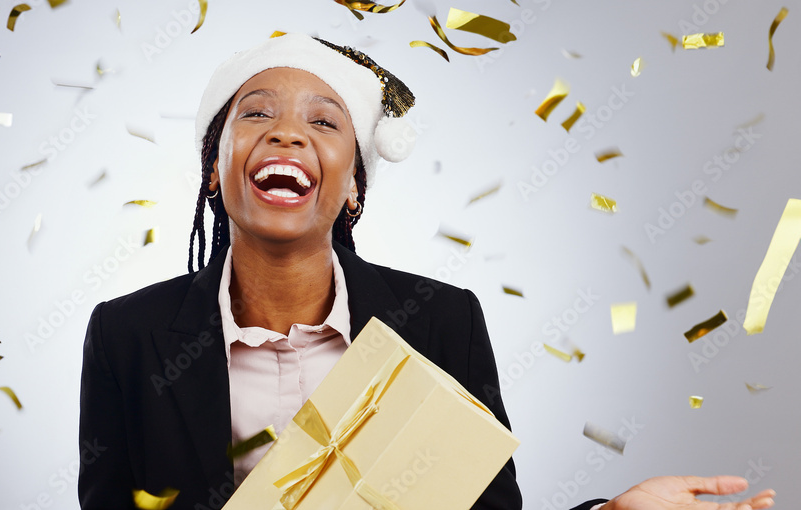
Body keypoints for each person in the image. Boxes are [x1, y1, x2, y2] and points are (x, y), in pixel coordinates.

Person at [78, 33, 777, 510]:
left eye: (324, 123)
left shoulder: (443, 320)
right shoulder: (126, 335)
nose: (286, 132)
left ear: (354, 186)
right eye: (255, 113)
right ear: (213, 169)